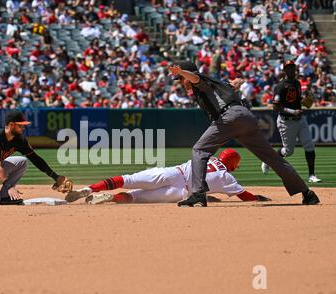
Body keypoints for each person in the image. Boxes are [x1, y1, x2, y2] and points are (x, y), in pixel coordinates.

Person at [167, 61, 319, 207]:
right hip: (246, 118)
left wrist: (182, 72)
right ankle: (307, 194)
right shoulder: (217, 84)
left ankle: (198, 194)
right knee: (273, 158)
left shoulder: (198, 80)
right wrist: (236, 84)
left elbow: (195, 77)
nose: (180, 81)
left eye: (180, 78)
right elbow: (231, 86)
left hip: (229, 118)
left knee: (199, 150)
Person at [65, 149, 271, 205]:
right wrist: (258, 198)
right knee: (134, 197)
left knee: (127, 179)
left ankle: (90, 189)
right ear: (233, 163)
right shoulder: (227, 177)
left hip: (173, 172)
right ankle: (110, 198)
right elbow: (244, 195)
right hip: (180, 192)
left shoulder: (207, 157)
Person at [0, 110, 71, 205]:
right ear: (11, 125)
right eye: (20, 125)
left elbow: (35, 158)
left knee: (23, 162)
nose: (23, 128)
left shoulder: (19, 140)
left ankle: (5, 196)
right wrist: (9, 186)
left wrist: (54, 176)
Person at [261, 60, 321, 183]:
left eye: (292, 67)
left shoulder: (297, 83)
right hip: (286, 121)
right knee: (288, 151)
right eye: (288, 68)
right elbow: (276, 106)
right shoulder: (280, 86)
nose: (291, 70)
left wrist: (305, 100)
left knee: (309, 145)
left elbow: (297, 100)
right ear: (285, 70)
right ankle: (268, 160)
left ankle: (311, 175)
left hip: (300, 120)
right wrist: (293, 111)